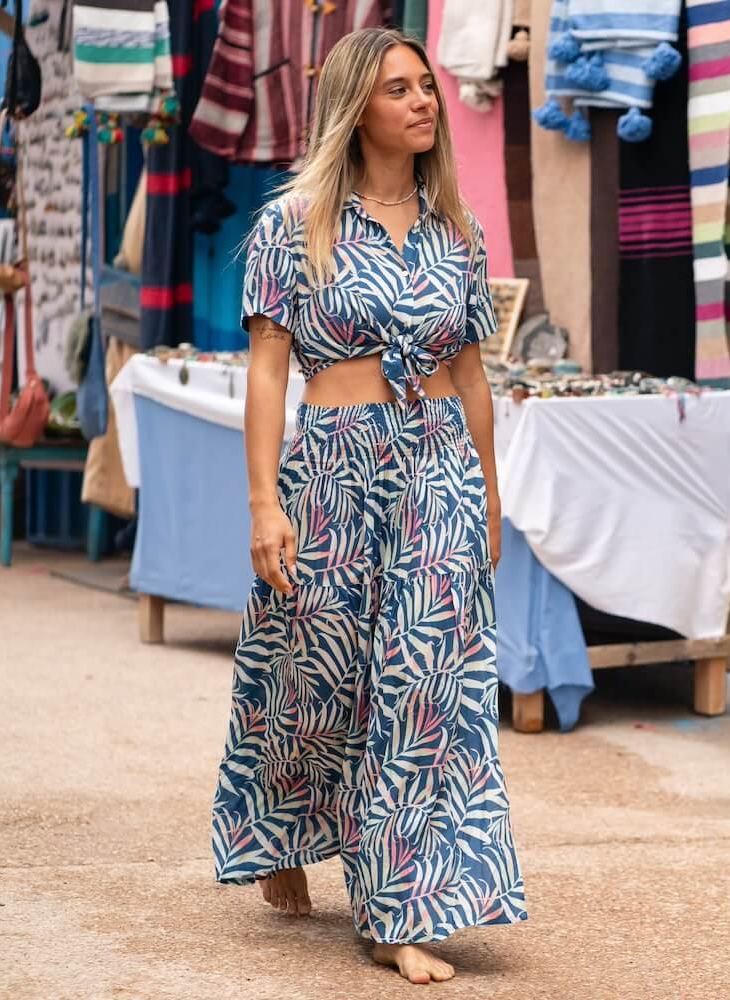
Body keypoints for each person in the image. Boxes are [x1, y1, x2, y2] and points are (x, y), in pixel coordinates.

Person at [210, 27, 528, 986]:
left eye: (427, 86)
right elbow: (268, 373)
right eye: (401, 89)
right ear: (357, 109)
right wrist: (264, 503)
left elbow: (469, 375)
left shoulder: (455, 231)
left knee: (424, 685)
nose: (425, 101)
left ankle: (399, 907)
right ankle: (282, 828)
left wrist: (488, 494)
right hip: (334, 468)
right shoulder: (294, 222)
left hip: (436, 467)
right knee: (318, 672)